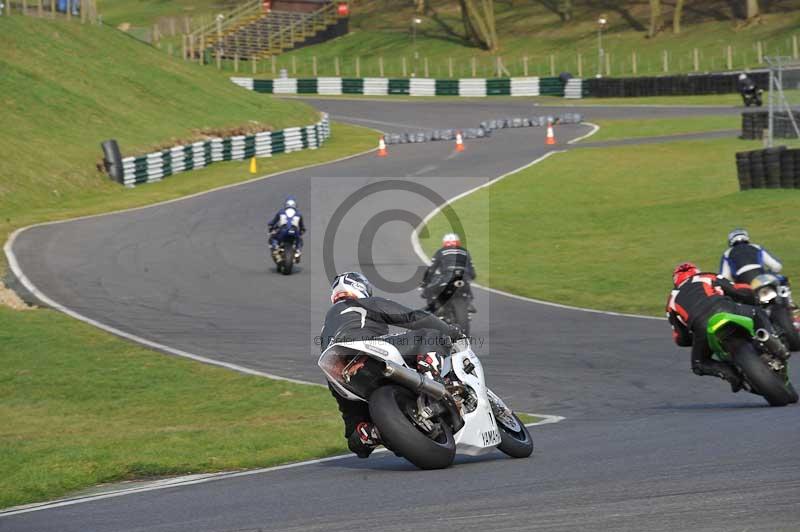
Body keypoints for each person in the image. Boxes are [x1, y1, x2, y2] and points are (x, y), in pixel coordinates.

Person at [320, 272, 463, 458]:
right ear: (360, 288)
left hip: (341, 376)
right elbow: (412, 317)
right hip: (369, 350)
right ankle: (432, 381)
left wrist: (356, 436)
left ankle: (371, 433)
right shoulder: (363, 303)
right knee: (429, 335)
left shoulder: (326, 329)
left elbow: (354, 440)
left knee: (354, 428)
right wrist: (451, 331)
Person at [667, 262, 789, 393]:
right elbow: (737, 290)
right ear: (696, 271)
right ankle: (773, 339)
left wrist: (693, 337)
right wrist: (752, 298)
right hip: (726, 309)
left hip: (701, 327)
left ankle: (731, 375)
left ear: (676, 281)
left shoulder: (671, 300)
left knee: (699, 364)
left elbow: (680, 337)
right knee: (757, 312)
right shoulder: (706, 276)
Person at [421, 233, 476, 312]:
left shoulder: (441, 252)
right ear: (458, 242)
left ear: (444, 243)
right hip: (463, 279)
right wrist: (471, 277)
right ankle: (468, 304)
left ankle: (432, 308)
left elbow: (431, 269)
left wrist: (425, 282)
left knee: (429, 290)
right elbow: (472, 272)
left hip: (446, 278)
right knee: (467, 288)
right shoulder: (465, 252)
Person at [719, 228, 784, 285]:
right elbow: (777, 266)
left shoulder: (727, 253)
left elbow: (725, 277)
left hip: (742, 283)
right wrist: (769, 273)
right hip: (761, 278)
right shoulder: (756, 247)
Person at [267, 196, 305, 262]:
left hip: (283, 231)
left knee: (272, 237)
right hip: (294, 232)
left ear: (286, 205)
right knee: (300, 239)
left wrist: (271, 226)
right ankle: (298, 251)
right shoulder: (298, 214)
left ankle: (275, 248)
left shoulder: (281, 212)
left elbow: (273, 222)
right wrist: (301, 231)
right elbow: (302, 227)